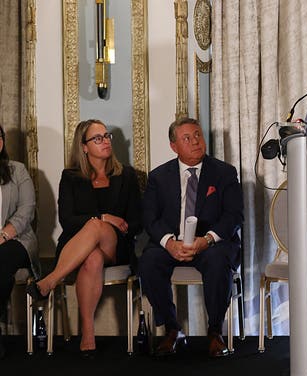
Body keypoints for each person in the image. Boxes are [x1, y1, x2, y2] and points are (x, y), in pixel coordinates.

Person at [26, 119, 142, 357]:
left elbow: (137, 220)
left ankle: (50, 281)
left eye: (106, 136)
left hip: (117, 246)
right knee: (92, 258)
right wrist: (104, 216)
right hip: (78, 247)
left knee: (98, 227)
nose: (106, 141)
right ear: (84, 146)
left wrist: (107, 223)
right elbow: (67, 221)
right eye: (97, 138)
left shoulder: (127, 176)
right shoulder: (70, 177)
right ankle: (88, 335)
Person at [139, 118, 243, 358]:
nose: (196, 141)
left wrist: (206, 239)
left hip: (209, 244)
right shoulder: (158, 177)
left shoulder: (224, 173)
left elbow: (234, 216)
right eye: (187, 138)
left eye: (198, 134)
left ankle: (215, 330)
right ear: (174, 146)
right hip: (172, 244)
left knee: (218, 261)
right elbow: (149, 219)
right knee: (149, 261)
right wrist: (169, 243)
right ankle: (172, 329)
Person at [0, 124, 38, 359]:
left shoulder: (17, 171)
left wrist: (4, 234)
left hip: (17, 239)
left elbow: (27, 211)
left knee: (2, 257)